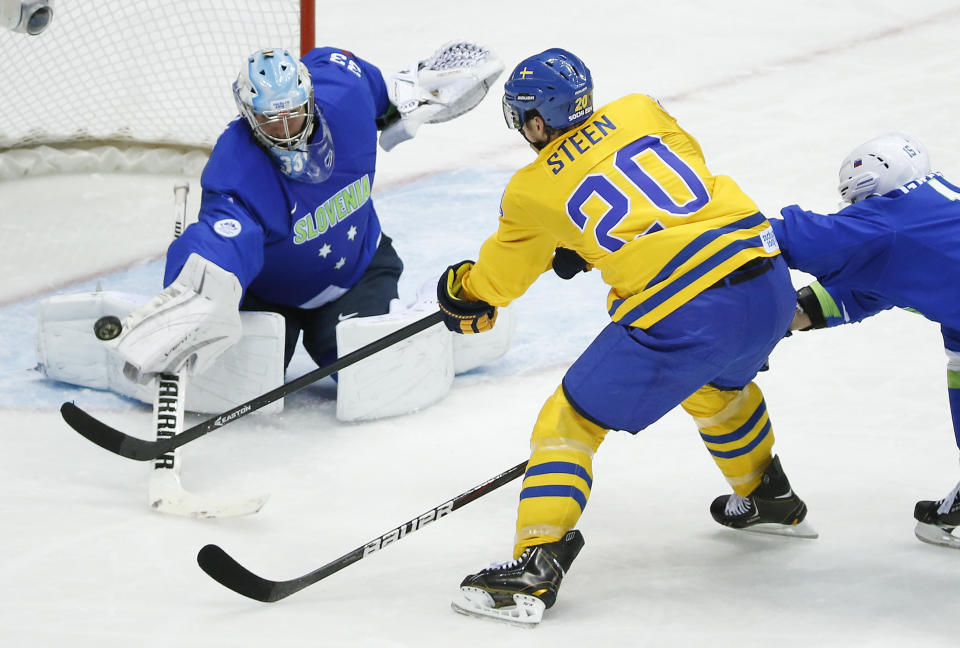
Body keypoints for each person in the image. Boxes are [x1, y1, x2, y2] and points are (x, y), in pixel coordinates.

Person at [438, 48, 815, 626]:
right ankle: (768, 496)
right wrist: (589, 241)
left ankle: (535, 567)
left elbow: (499, 282)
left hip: (687, 308)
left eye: (523, 119)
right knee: (714, 388)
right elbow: (675, 178)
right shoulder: (642, 109)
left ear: (537, 121)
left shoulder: (531, 189)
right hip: (766, 282)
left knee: (570, 420)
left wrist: (465, 292)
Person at [103, 43, 502, 384]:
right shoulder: (238, 165)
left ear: (309, 96)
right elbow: (222, 235)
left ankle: (434, 307)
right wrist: (200, 287)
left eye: (293, 113)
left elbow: (379, 88)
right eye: (270, 121)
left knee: (369, 369)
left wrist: (412, 90)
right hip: (271, 296)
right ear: (248, 116)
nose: (287, 129)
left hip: (358, 273)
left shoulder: (344, 94)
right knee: (248, 378)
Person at [773, 132, 960, 550]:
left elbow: (792, 238)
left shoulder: (889, 222)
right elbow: (871, 287)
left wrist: (702, 233)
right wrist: (784, 321)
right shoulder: (934, 212)